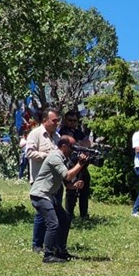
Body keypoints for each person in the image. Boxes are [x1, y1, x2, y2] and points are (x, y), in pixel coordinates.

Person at [29, 135, 87, 264]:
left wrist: (75, 185)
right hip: (40, 195)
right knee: (53, 223)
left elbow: (67, 184)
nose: (74, 150)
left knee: (65, 219)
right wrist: (80, 164)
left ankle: (60, 250)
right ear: (64, 146)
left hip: (49, 195)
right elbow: (67, 176)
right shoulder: (55, 157)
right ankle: (48, 255)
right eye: (72, 147)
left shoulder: (63, 159)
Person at [26, 108, 61, 252]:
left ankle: (53, 243)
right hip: (40, 181)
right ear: (45, 121)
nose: (56, 123)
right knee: (42, 214)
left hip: (55, 182)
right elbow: (29, 152)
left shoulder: (57, 136)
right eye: (54, 120)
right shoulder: (35, 134)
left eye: (57, 120)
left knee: (56, 212)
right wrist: (46, 155)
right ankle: (37, 244)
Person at [59, 110, 92, 219]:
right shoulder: (62, 131)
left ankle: (84, 214)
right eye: (70, 120)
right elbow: (67, 142)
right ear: (65, 120)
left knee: (84, 188)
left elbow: (88, 143)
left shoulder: (79, 132)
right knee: (71, 190)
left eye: (75, 120)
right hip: (70, 164)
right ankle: (69, 214)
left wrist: (77, 143)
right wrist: (78, 143)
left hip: (82, 163)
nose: (72, 123)